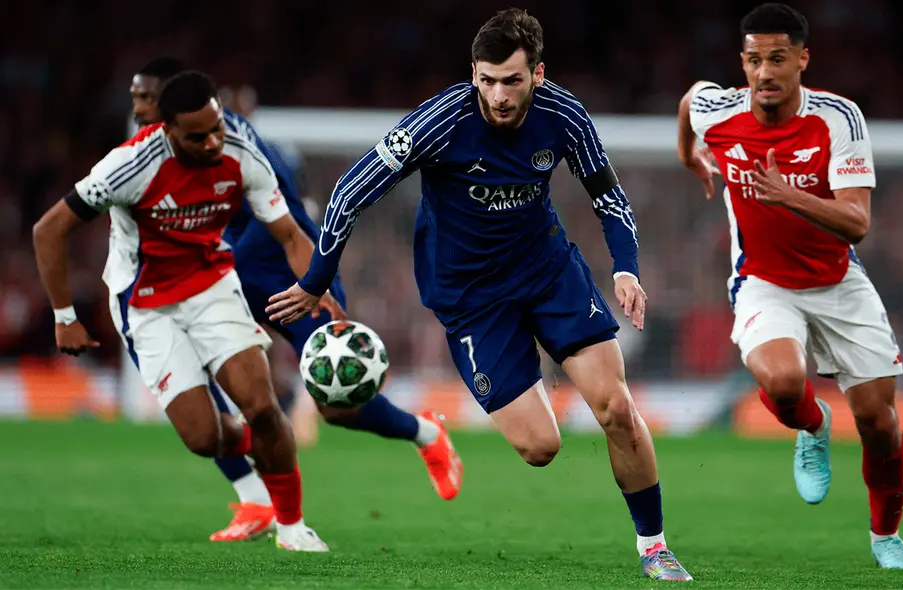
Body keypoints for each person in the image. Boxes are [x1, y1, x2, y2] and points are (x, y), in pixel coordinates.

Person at [267, 8, 693, 582]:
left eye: (511, 81)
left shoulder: (564, 114)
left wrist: (626, 268)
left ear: (537, 74)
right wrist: (316, 280)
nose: (497, 94)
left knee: (616, 406)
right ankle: (531, 368)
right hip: (471, 299)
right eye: (486, 80)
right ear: (474, 73)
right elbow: (349, 190)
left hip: (547, 271)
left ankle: (654, 547)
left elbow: (606, 194)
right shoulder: (440, 121)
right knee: (541, 446)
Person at [127, 58, 464, 542]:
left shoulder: (236, 142)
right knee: (194, 377)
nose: (137, 112)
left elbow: (285, 217)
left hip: (292, 270)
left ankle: (426, 434)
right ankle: (253, 498)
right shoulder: (151, 152)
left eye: (146, 102)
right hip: (227, 274)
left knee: (336, 402)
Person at [33, 71, 330, 551]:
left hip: (213, 286)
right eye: (198, 135)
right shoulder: (128, 167)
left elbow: (291, 233)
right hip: (147, 305)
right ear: (167, 130)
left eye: (216, 127)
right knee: (202, 437)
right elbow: (48, 230)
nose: (213, 142)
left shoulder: (240, 150)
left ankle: (293, 526)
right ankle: (252, 461)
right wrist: (64, 315)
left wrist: (312, 284)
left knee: (264, 408)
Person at [676, 2, 903, 570]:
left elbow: (858, 221)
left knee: (880, 424)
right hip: (763, 281)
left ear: (803, 60)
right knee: (784, 382)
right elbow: (691, 102)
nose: (765, 72)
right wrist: (689, 154)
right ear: (743, 62)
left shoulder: (839, 119)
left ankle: (885, 536)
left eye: (778, 58)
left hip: (838, 281)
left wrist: (789, 196)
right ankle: (813, 426)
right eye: (755, 59)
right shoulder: (722, 108)